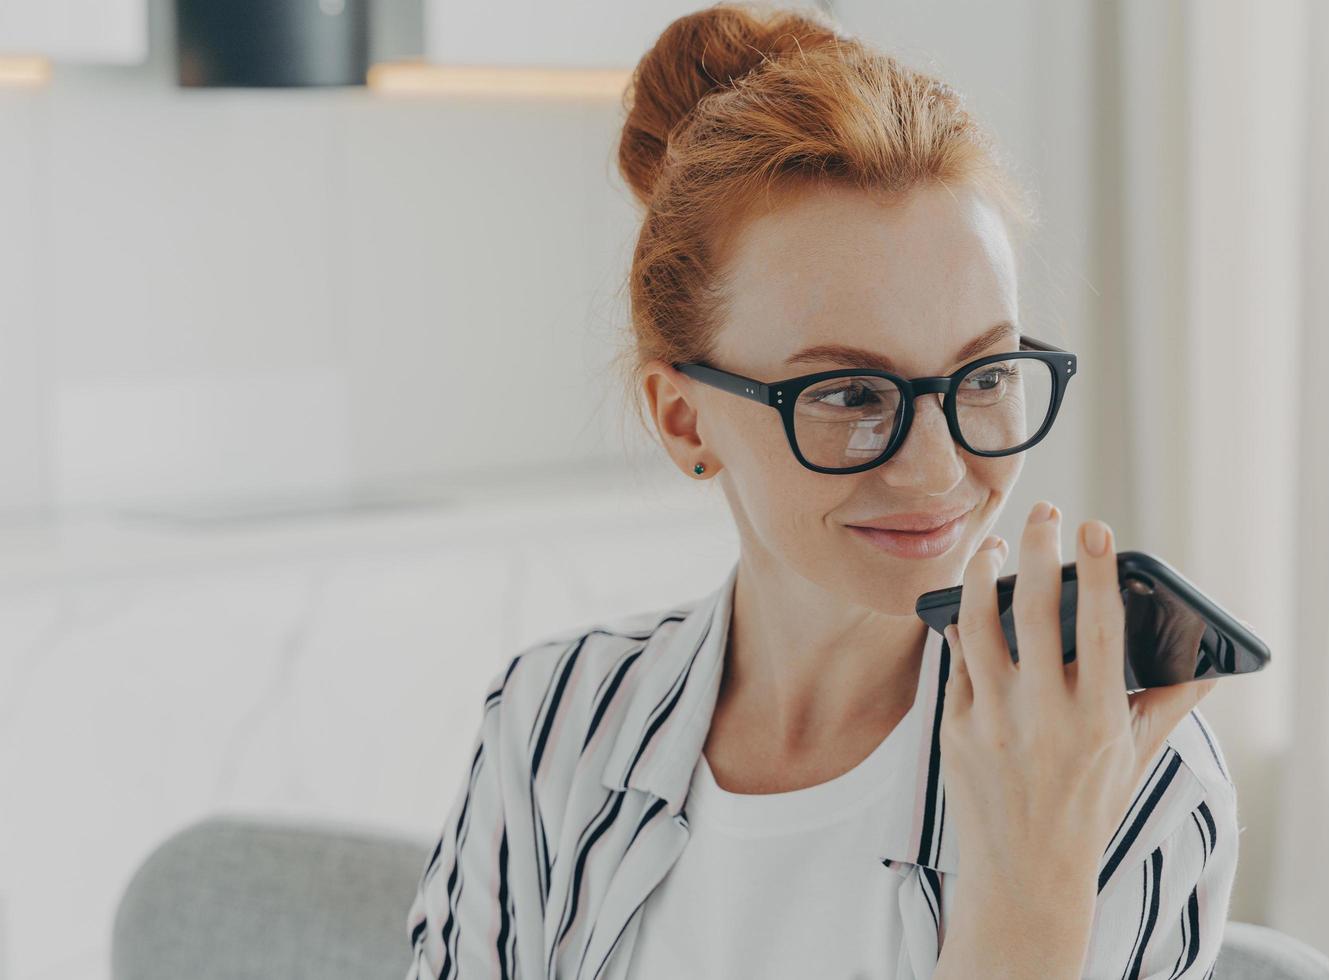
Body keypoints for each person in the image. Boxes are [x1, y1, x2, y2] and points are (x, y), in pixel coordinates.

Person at [404, 3, 1238, 978]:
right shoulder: (554, 727)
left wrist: (1030, 881)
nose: (936, 469)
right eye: (848, 393)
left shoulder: (1126, 774)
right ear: (685, 420)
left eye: (985, 376)